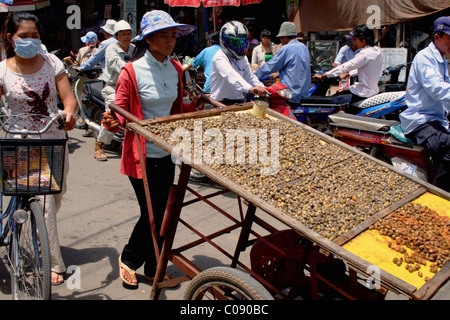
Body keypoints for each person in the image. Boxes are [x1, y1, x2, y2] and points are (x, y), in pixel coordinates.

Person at [101, 10, 204, 287]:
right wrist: (113, 122)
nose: (170, 41)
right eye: (164, 36)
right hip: (141, 155)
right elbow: (121, 110)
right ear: (148, 39)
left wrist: (196, 106)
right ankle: (130, 258)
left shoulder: (175, 69)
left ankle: (152, 265)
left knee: (163, 212)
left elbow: (177, 108)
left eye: (173, 36)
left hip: (165, 152)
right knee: (152, 212)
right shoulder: (131, 72)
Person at [0, 11, 77, 285]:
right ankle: (55, 263)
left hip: (55, 139)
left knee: (57, 196)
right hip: (20, 145)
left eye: (35, 36)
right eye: (24, 36)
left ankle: (41, 232)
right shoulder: (2, 70)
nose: (30, 41)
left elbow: (68, 99)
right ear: (11, 38)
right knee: (44, 204)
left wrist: (69, 113)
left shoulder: (52, 62)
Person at [399, 16, 450, 192]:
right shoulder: (425, 58)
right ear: (437, 37)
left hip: (436, 120)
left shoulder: (442, 60)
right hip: (421, 121)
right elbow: (437, 89)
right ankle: (439, 194)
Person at [94, 20, 135, 162]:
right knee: (113, 116)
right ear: (116, 37)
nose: (126, 37)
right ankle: (99, 145)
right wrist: (134, 70)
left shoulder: (134, 48)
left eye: (129, 34)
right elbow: (118, 64)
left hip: (132, 87)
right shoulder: (111, 49)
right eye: (123, 34)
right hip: (113, 87)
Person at [313, 24, 382, 105]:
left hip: (362, 92)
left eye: (356, 40)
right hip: (372, 91)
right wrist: (348, 74)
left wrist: (324, 75)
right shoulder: (377, 51)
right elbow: (366, 67)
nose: (354, 42)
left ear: (363, 40)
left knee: (331, 103)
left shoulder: (365, 54)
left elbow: (347, 66)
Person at [254, 21, 311, 105]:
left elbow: (270, 67)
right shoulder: (304, 47)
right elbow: (295, 68)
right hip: (303, 94)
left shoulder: (286, 49)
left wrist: (253, 75)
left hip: (290, 95)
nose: (281, 41)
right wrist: (277, 75)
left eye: (281, 38)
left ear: (285, 37)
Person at [77, 19, 117, 137]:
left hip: (107, 81)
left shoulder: (105, 44)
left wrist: (81, 68)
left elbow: (92, 61)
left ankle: (87, 124)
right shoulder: (126, 45)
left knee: (86, 96)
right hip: (119, 81)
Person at [210, 20, 265, 105]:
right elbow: (231, 75)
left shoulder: (243, 58)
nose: (238, 47)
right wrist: (250, 88)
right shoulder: (219, 57)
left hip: (238, 102)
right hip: (219, 104)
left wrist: (262, 87)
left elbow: (249, 77)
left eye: (241, 43)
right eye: (234, 43)